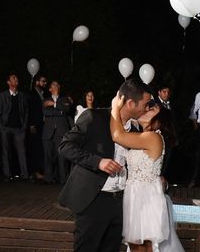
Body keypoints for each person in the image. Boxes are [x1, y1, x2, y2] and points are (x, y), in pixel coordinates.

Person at [59, 79, 152, 252]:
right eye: (145, 104)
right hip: (93, 199)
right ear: (130, 103)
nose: (147, 108)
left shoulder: (136, 131)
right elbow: (65, 146)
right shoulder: (94, 117)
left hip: (121, 202)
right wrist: (97, 162)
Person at [109, 93, 184, 252]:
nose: (146, 110)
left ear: (158, 120)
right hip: (135, 194)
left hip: (146, 197)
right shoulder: (142, 135)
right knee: (136, 245)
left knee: (145, 245)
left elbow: (117, 135)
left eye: (152, 110)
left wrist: (115, 108)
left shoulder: (153, 137)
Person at [0, 73, 30, 182]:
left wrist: (24, 126)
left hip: (19, 129)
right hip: (6, 128)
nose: (16, 79)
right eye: (13, 78)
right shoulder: (3, 95)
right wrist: (1, 127)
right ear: (8, 82)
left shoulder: (22, 96)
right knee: (6, 151)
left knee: (22, 151)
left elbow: (26, 112)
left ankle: (24, 175)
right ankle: (7, 175)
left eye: (16, 78)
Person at [43, 80, 75, 184]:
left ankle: (63, 179)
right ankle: (49, 178)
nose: (55, 85)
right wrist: (60, 111)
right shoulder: (45, 99)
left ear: (59, 87)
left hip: (61, 131)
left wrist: (55, 104)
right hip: (48, 132)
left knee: (62, 157)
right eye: (53, 84)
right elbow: (45, 112)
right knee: (49, 157)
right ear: (50, 89)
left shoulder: (65, 99)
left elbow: (66, 109)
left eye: (57, 84)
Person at [27, 75, 49, 182]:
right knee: (34, 148)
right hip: (34, 125)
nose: (45, 83)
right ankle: (33, 172)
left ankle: (39, 172)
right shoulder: (32, 94)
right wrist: (31, 124)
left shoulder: (43, 94)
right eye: (43, 81)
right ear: (37, 82)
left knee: (40, 148)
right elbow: (30, 110)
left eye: (45, 82)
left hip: (42, 124)